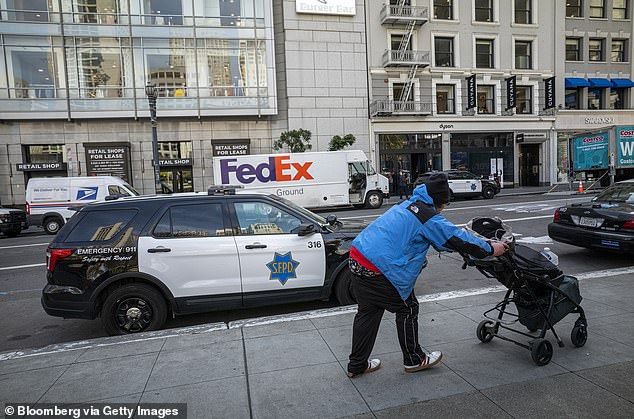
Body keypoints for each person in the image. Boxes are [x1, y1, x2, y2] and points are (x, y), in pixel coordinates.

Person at [346, 172, 509, 377]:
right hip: (378, 268)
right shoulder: (427, 216)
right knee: (408, 308)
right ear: (439, 200)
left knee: (368, 311)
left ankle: (357, 365)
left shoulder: (407, 206)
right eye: (444, 204)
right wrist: (491, 248)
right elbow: (456, 238)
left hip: (357, 259)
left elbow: (436, 240)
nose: (444, 209)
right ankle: (414, 359)